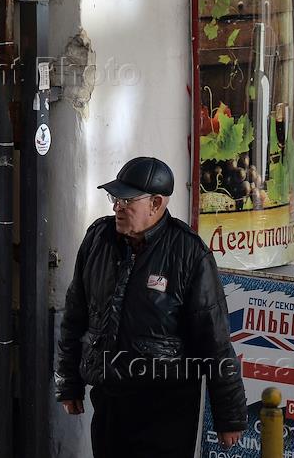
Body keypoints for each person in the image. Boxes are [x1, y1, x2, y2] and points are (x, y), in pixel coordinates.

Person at [56, 156, 247, 456]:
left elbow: (215, 340)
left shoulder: (188, 253)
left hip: (166, 408)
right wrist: (69, 383)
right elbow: (75, 316)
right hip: (109, 400)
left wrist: (229, 416)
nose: (117, 207)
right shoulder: (98, 239)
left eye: (127, 200)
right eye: (115, 199)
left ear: (156, 203)